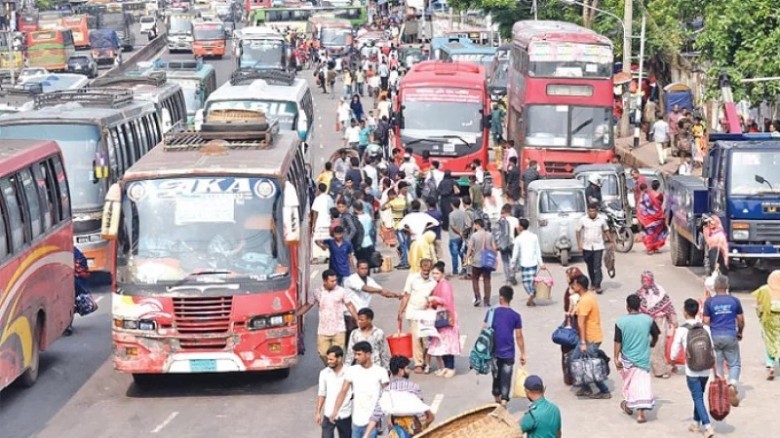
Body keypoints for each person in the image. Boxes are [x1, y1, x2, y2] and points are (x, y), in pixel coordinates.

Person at [670, 299, 715, 438]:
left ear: (685, 311)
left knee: (697, 396)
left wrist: (672, 361)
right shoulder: (705, 328)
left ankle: (707, 426)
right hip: (706, 368)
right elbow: (711, 347)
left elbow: (674, 351)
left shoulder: (682, 330)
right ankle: (696, 423)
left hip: (692, 369)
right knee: (699, 395)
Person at [614, 294, 660, 424]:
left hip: (627, 359)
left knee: (629, 384)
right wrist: (652, 343)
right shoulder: (648, 319)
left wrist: (615, 357)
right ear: (639, 306)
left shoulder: (620, 322)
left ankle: (629, 405)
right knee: (641, 385)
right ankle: (639, 412)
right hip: (643, 358)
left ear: (627, 307)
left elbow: (617, 341)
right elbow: (656, 335)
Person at [298, 270, 359, 365]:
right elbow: (308, 305)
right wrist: (296, 314)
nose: (334, 283)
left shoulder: (341, 291)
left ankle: (338, 373)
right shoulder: (317, 292)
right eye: (332, 281)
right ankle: (331, 367)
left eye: (335, 280)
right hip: (323, 330)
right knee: (322, 353)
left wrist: (357, 319)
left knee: (338, 355)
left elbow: (349, 305)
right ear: (325, 281)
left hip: (339, 329)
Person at [365, 355, 435, 437]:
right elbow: (421, 410)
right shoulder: (413, 387)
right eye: (407, 368)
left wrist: (366, 434)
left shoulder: (386, 390)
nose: (409, 371)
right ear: (400, 371)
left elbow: (376, 415)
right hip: (414, 429)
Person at [330, 341, 389, 438]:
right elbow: (343, 391)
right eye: (355, 354)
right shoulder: (352, 371)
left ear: (368, 354)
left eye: (359, 354)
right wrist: (335, 410)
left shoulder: (380, 372)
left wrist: (389, 418)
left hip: (373, 421)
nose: (356, 357)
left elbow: (388, 395)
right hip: (356, 421)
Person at [703, 274, 744, 407]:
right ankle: (732, 384)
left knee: (718, 363)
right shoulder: (734, 301)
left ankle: (720, 387)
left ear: (715, 287)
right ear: (727, 286)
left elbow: (706, 321)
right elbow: (740, 319)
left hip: (715, 336)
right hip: (730, 335)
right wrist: (740, 332)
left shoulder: (709, 302)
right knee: (734, 363)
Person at [486, 286, 526, 407]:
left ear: (501, 297)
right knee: (506, 377)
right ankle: (504, 400)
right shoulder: (515, 315)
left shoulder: (492, 313)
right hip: (509, 352)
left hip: (494, 351)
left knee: (496, 375)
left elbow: (485, 330)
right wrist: (523, 352)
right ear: (511, 298)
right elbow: (519, 336)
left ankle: (497, 398)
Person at [572, 275, 611, 399]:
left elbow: (581, 323)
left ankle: (604, 390)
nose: (573, 286)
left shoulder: (585, 300)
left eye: (574, 284)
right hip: (591, 336)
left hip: (590, 338)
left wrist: (583, 342)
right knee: (577, 359)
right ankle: (586, 386)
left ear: (579, 286)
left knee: (590, 365)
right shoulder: (587, 297)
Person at [635, 271, 678, 378]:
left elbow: (668, 306)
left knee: (659, 345)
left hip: (659, 321)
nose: (644, 282)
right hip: (645, 322)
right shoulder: (639, 293)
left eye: (646, 280)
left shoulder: (660, 291)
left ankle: (660, 370)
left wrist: (673, 320)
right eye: (643, 280)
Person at [397, 259, 437, 373]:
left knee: (425, 340)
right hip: (413, 312)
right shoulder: (412, 278)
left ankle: (424, 360)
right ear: (420, 268)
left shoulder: (433, 281)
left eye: (428, 270)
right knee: (416, 338)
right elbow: (406, 295)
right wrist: (400, 310)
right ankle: (418, 363)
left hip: (427, 314)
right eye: (424, 270)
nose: (426, 272)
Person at [426, 261, 461, 378]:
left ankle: (451, 367)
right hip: (440, 315)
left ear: (442, 273)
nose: (435, 275)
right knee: (443, 344)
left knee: (448, 344)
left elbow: (446, 301)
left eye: (437, 273)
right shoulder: (438, 284)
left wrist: (434, 298)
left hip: (447, 315)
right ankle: (446, 366)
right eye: (433, 273)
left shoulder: (444, 284)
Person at [576, 204, 612, 294]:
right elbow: (578, 230)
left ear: (596, 211)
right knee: (590, 266)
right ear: (588, 211)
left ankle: (598, 285)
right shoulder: (583, 219)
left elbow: (606, 230)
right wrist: (579, 243)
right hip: (587, 247)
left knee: (597, 266)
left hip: (598, 246)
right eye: (590, 211)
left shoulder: (601, 219)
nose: (592, 213)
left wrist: (611, 241)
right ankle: (592, 283)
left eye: (593, 211)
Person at [317, 346, 352, 438]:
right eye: (328, 359)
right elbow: (322, 393)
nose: (328, 362)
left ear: (339, 359)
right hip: (328, 414)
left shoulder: (350, 373)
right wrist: (318, 412)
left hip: (345, 415)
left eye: (331, 359)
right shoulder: (324, 373)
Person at [752, 270, 780, 380]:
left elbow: (759, 306)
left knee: (769, 342)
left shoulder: (764, 290)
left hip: (768, 321)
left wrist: (759, 315)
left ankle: (770, 365)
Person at [510, 218, 545, 307]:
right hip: (533, 264)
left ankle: (531, 294)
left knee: (526, 283)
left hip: (524, 264)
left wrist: (512, 264)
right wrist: (541, 263)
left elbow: (515, 253)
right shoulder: (534, 236)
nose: (517, 227)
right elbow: (538, 251)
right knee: (532, 281)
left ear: (521, 227)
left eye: (518, 225)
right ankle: (531, 298)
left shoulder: (518, 238)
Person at [560, 267, 584, 385]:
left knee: (567, 350)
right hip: (579, 324)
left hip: (572, 324)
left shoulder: (570, 292)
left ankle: (570, 377)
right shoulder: (583, 291)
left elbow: (567, 308)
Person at [466, 218, 496, 307]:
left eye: (474, 225)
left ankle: (477, 297)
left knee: (475, 279)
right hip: (486, 260)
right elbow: (494, 247)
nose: (473, 226)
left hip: (476, 261)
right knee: (487, 280)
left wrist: (467, 259)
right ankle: (487, 300)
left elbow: (470, 248)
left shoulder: (474, 236)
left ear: (477, 225)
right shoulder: (489, 235)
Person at [637, 183, 668, 254]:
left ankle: (651, 248)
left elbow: (641, 207)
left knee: (649, 233)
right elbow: (659, 204)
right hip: (656, 217)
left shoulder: (645, 196)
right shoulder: (658, 195)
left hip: (647, 218)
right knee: (656, 232)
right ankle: (654, 248)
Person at [497, 204, 519, 286]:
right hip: (513, 243)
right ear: (510, 211)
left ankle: (508, 279)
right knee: (513, 260)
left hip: (503, 244)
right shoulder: (515, 220)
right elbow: (517, 231)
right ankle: (512, 275)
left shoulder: (500, 220)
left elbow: (497, 233)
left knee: (505, 262)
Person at [447, 198, 466, 276]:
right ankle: (464, 267)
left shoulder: (451, 214)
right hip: (461, 237)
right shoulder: (463, 213)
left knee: (454, 254)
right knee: (461, 253)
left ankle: (455, 270)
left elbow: (452, 225)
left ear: (452, 204)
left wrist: (459, 232)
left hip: (454, 236)